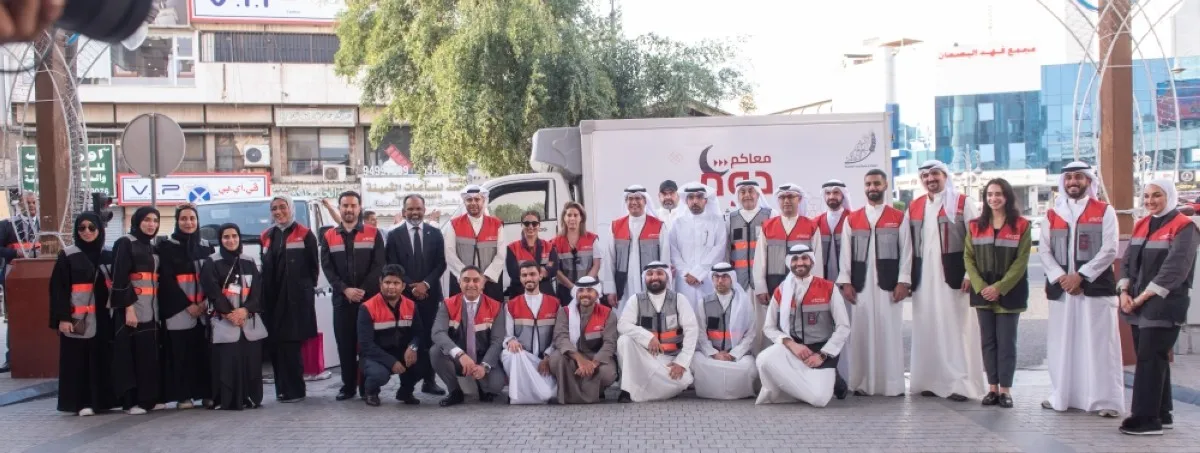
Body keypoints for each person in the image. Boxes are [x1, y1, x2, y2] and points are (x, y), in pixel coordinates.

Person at [1036, 161, 1124, 418]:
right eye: (1069, 178)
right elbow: (1044, 250)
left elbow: (1109, 249)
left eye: (1078, 177)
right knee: (1062, 344)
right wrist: (1062, 278)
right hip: (1062, 290)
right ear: (1063, 183)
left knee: (1099, 345)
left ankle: (1105, 400)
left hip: (1095, 290)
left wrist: (1081, 277)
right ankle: (1063, 395)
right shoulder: (1053, 214)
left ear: (1088, 181)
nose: (1073, 182)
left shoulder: (1105, 211)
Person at [1117, 179, 1198, 435]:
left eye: (1157, 195)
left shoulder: (1185, 227)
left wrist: (1139, 299)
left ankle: (1145, 419)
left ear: (1170, 196)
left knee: (1149, 358)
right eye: (1147, 196)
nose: (1150, 201)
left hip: (1164, 304)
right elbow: (1128, 261)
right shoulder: (1142, 224)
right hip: (1138, 304)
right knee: (1154, 358)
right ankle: (1162, 414)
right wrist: (1124, 292)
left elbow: (1173, 271)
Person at [907, 160, 987, 402]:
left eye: (935, 174)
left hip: (954, 276)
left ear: (945, 176)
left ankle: (960, 384)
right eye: (926, 176)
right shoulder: (915, 206)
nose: (930, 179)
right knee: (928, 326)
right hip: (924, 277)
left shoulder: (962, 202)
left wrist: (969, 275)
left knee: (956, 328)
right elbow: (909, 245)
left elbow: (977, 240)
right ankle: (931, 381)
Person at [837, 169, 910, 397]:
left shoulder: (898, 218)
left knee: (889, 333)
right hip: (860, 285)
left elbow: (906, 251)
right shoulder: (853, 218)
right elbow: (845, 255)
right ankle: (861, 384)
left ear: (885, 185)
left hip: (889, 285)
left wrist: (903, 282)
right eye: (868, 184)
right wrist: (845, 282)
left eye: (877, 183)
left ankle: (892, 385)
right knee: (861, 333)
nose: (872, 188)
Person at [964, 178, 1031, 409]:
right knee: (988, 342)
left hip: (1010, 293)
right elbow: (968, 258)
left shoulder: (1022, 225)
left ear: (1007, 196)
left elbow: (1021, 261)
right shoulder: (975, 225)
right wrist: (982, 287)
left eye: (998, 194)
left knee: (1007, 342)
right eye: (990, 194)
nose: (994, 198)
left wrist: (999, 288)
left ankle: (1005, 390)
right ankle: (991, 388)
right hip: (983, 293)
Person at [756, 244, 850, 406]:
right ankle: (795, 390)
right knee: (763, 360)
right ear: (789, 263)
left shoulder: (828, 288)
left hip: (821, 353)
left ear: (812, 262)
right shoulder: (781, 290)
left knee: (819, 399)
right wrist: (790, 344)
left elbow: (843, 327)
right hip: (794, 349)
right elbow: (769, 327)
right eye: (795, 259)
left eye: (804, 258)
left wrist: (822, 355)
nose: (800, 263)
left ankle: (828, 379)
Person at [320, 190, 386, 401]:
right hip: (342, 300)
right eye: (345, 206)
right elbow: (328, 269)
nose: (349, 209)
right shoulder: (329, 236)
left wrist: (362, 290)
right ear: (339, 208)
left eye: (353, 205)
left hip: (368, 301)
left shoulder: (374, 233)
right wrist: (345, 290)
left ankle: (368, 387)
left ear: (360, 207)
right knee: (345, 343)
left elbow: (379, 266)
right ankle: (347, 386)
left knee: (368, 344)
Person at [49, 212, 116, 416]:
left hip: (104, 320)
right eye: (82, 228)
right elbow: (58, 290)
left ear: (100, 230)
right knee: (78, 363)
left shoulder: (108, 254)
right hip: (78, 320)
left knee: (102, 360)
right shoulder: (68, 255)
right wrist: (62, 319)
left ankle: (102, 402)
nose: (87, 232)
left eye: (92, 228)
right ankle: (80, 403)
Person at [384, 194, 447, 396]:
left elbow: (441, 264)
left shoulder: (435, 234)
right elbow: (392, 265)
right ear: (403, 212)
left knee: (429, 339)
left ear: (424, 210)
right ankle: (407, 387)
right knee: (407, 340)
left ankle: (429, 381)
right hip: (405, 298)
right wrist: (412, 286)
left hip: (430, 296)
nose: (414, 212)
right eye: (410, 209)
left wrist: (426, 284)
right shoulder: (394, 236)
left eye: (418, 208)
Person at [261, 194, 320, 403]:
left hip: (295, 301)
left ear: (290, 208)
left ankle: (296, 390)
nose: (278, 212)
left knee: (291, 346)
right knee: (276, 345)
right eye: (274, 208)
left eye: (282, 207)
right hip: (272, 299)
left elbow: (314, 269)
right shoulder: (267, 235)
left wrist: (302, 291)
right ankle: (281, 390)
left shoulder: (305, 234)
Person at [202, 223, 267, 410]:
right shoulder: (212, 262)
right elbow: (213, 291)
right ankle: (227, 400)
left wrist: (245, 311)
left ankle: (251, 398)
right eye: (226, 237)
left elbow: (257, 291)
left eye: (234, 236)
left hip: (248, 322)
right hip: (225, 322)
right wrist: (230, 314)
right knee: (227, 365)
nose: (231, 240)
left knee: (251, 364)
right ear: (220, 240)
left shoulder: (248, 261)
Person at [156, 204, 215, 409]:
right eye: (184, 219)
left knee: (204, 353)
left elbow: (214, 278)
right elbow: (166, 280)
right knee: (180, 353)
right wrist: (187, 304)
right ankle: (184, 396)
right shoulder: (166, 247)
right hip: (178, 310)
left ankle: (207, 393)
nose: (188, 222)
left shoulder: (207, 246)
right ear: (177, 221)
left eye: (192, 218)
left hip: (204, 310)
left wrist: (205, 302)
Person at [752, 183, 822, 354]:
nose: (786, 201)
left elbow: (817, 260)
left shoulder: (811, 226)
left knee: (801, 329)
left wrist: (816, 289)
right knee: (773, 329)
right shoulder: (768, 226)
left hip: (803, 289)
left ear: (799, 200)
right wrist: (761, 287)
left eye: (791, 197)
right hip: (774, 287)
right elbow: (760, 258)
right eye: (782, 197)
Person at [615, 261, 699, 403]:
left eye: (659, 273)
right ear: (645, 278)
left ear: (667, 277)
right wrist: (647, 337)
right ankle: (628, 390)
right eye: (650, 274)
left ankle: (643, 390)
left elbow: (692, 331)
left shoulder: (679, 300)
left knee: (685, 380)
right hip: (645, 359)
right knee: (624, 340)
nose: (654, 277)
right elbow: (622, 325)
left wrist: (681, 362)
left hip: (671, 360)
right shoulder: (636, 300)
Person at [110, 207, 164, 414]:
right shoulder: (125, 243)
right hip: (132, 310)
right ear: (137, 221)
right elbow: (120, 277)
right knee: (129, 356)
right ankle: (130, 402)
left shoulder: (151, 246)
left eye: (155, 220)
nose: (151, 224)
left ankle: (148, 399)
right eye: (147, 220)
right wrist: (128, 309)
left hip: (151, 310)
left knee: (148, 355)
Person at [431, 266, 507, 406]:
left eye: (475, 280)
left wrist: (484, 366)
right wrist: (460, 355)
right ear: (459, 282)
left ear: (482, 283)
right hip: (459, 359)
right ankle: (455, 391)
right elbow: (437, 332)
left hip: (484, 358)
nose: (471, 284)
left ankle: (482, 386)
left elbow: (497, 341)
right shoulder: (448, 304)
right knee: (435, 351)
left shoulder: (496, 306)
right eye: (466, 280)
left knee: (496, 386)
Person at [357, 264, 424, 407]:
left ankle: (406, 392)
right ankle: (370, 392)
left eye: (396, 283)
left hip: (402, 352)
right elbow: (366, 345)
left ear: (403, 285)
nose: (391, 287)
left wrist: (413, 347)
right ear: (380, 283)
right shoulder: (367, 307)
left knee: (426, 362)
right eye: (387, 282)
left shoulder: (411, 305)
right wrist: (391, 362)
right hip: (375, 355)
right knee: (379, 374)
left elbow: (418, 333)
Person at [690, 262, 757, 400]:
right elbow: (700, 333)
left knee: (749, 366)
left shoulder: (744, 302)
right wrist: (714, 354)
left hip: (736, 356)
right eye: (716, 277)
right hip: (713, 356)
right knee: (696, 360)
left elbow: (750, 334)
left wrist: (733, 355)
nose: (720, 280)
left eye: (725, 276)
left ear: (732, 278)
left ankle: (725, 390)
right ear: (712, 279)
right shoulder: (704, 302)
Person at [546, 276, 617, 404]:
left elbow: (609, 343)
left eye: (589, 290)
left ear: (597, 294)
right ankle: (572, 394)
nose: (585, 294)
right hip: (571, 355)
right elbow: (561, 338)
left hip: (595, 356)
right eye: (581, 291)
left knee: (608, 373)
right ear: (576, 293)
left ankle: (591, 392)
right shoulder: (565, 312)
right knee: (557, 359)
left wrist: (593, 363)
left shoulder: (608, 313)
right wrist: (580, 359)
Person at [501, 261, 562, 404]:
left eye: (532, 274)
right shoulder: (511, 305)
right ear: (520, 278)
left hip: (545, 360)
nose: (529, 278)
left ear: (540, 276)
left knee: (546, 394)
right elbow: (507, 334)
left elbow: (558, 336)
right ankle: (516, 395)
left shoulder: (555, 303)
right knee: (510, 353)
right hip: (522, 358)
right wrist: (511, 341)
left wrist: (547, 357)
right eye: (524, 275)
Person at [602, 184, 666, 311]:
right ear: (626, 202)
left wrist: (665, 288)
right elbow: (609, 260)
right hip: (624, 285)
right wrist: (610, 290)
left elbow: (665, 260)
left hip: (650, 283)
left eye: (638, 198)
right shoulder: (615, 226)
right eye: (630, 199)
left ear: (645, 201)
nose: (634, 202)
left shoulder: (659, 226)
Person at [669, 182, 728, 317]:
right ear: (686, 201)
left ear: (705, 200)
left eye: (699, 197)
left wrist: (698, 273)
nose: (695, 201)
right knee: (686, 317)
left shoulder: (717, 221)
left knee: (710, 316)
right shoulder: (678, 223)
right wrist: (686, 273)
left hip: (708, 279)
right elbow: (673, 251)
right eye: (691, 197)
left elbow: (719, 250)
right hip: (684, 281)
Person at [1, 191, 40, 373]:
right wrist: (13, 253)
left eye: (34, 202)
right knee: (15, 316)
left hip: (39, 275)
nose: (31, 205)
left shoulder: (45, 225)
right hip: (15, 273)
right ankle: (12, 357)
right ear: (20, 205)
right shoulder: (8, 225)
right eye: (28, 202)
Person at [444, 185, 506, 301]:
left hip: (489, 282)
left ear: (483, 201)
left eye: (477, 199)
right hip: (463, 283)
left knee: (491, 316)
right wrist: (468, 278)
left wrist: (484, 278)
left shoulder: (496, 224)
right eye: (469, 200)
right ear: (464, 202)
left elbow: (501, 255)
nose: (473, 203)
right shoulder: (454, 224)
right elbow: (450, 254)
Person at [726, 180, 775, 293]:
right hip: (739, 282)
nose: (747, 195)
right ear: (738, 196)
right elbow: (727, 250)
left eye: (750, 191)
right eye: (742, 192)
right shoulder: (730, 218)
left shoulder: (770, 215)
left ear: (758, 194)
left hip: (763, 281)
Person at [553, 202, 601, 306]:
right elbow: (556, 270)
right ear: (564, 218)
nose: (572, 218)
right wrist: (573, 287)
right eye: (569, 215)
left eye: (576, 215)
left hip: (589, 289)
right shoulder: (555, 243)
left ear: (581, 218)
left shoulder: (592, 239)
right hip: (565, 291)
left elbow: (596, 265)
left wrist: (584, 285)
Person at [505, 210, 558, 298]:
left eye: (534, 223)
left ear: (539, 225)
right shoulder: (512, 248)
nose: (530, 226)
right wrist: (542, 272)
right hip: (520, 293)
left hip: (545, 292)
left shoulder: (549, 247)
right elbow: (514, 274)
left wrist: (526, 274)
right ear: (521, 225)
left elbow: (553, 269)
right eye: (526, 223)